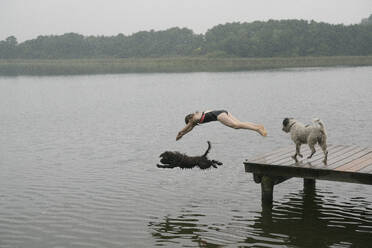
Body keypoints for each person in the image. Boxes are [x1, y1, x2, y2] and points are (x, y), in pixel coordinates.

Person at [176, 110, 267, 140]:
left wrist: (180, 134)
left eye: (188, 122)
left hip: (219, 116)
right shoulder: (197, 117)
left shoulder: (193, 119)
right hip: (223, 111)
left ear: (189, 119)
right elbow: (190, 128)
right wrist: (183, 134)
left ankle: (257, 129)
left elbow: (185, 128)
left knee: (236, 126)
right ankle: (258, 126)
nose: (189, 124)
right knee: (239, 123)